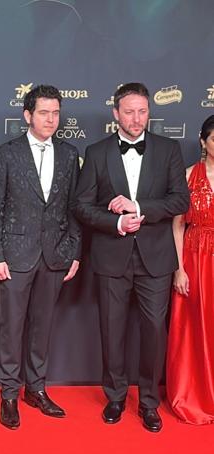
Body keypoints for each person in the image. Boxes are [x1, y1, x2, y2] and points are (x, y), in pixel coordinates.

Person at [74, 82, 189, 432]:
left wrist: (138, 207)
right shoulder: (96, 152)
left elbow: (180, 201)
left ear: (149, 111)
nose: (137, 119)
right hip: (111, 256)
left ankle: (150, 401)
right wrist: (117, 222)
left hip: (155, 257)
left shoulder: (169, 149)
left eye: (142, 111)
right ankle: (116, 396)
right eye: (129, 112)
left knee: (154, 331)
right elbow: (81, 206)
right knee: (112, 329)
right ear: (115, 114)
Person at [0, 85, 81, 430]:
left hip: (55, 255)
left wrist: (74, 252)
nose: (51, 119)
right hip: (14, 256)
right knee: (11, 328)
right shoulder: (6, 154)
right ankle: (10, 394)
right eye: (44, 112)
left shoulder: (70, 155)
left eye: (56, 113)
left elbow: (74, 208)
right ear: (28, 115)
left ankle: (36, 389)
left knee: (43, 327)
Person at [166, 115, 214, 425]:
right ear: (203, 141)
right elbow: (177, 225)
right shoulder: (188, 176)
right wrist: (178, 269)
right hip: (195, 258)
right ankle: (195, 394)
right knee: (195, 328)